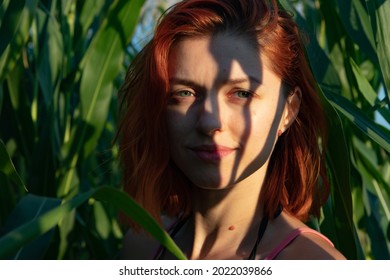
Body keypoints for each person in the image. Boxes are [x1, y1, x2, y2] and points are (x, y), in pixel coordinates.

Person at [117, 0, 346, 260]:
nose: (209, 122)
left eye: (241, 93)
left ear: (288, 110)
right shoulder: (142, 246)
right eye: (184, 93)